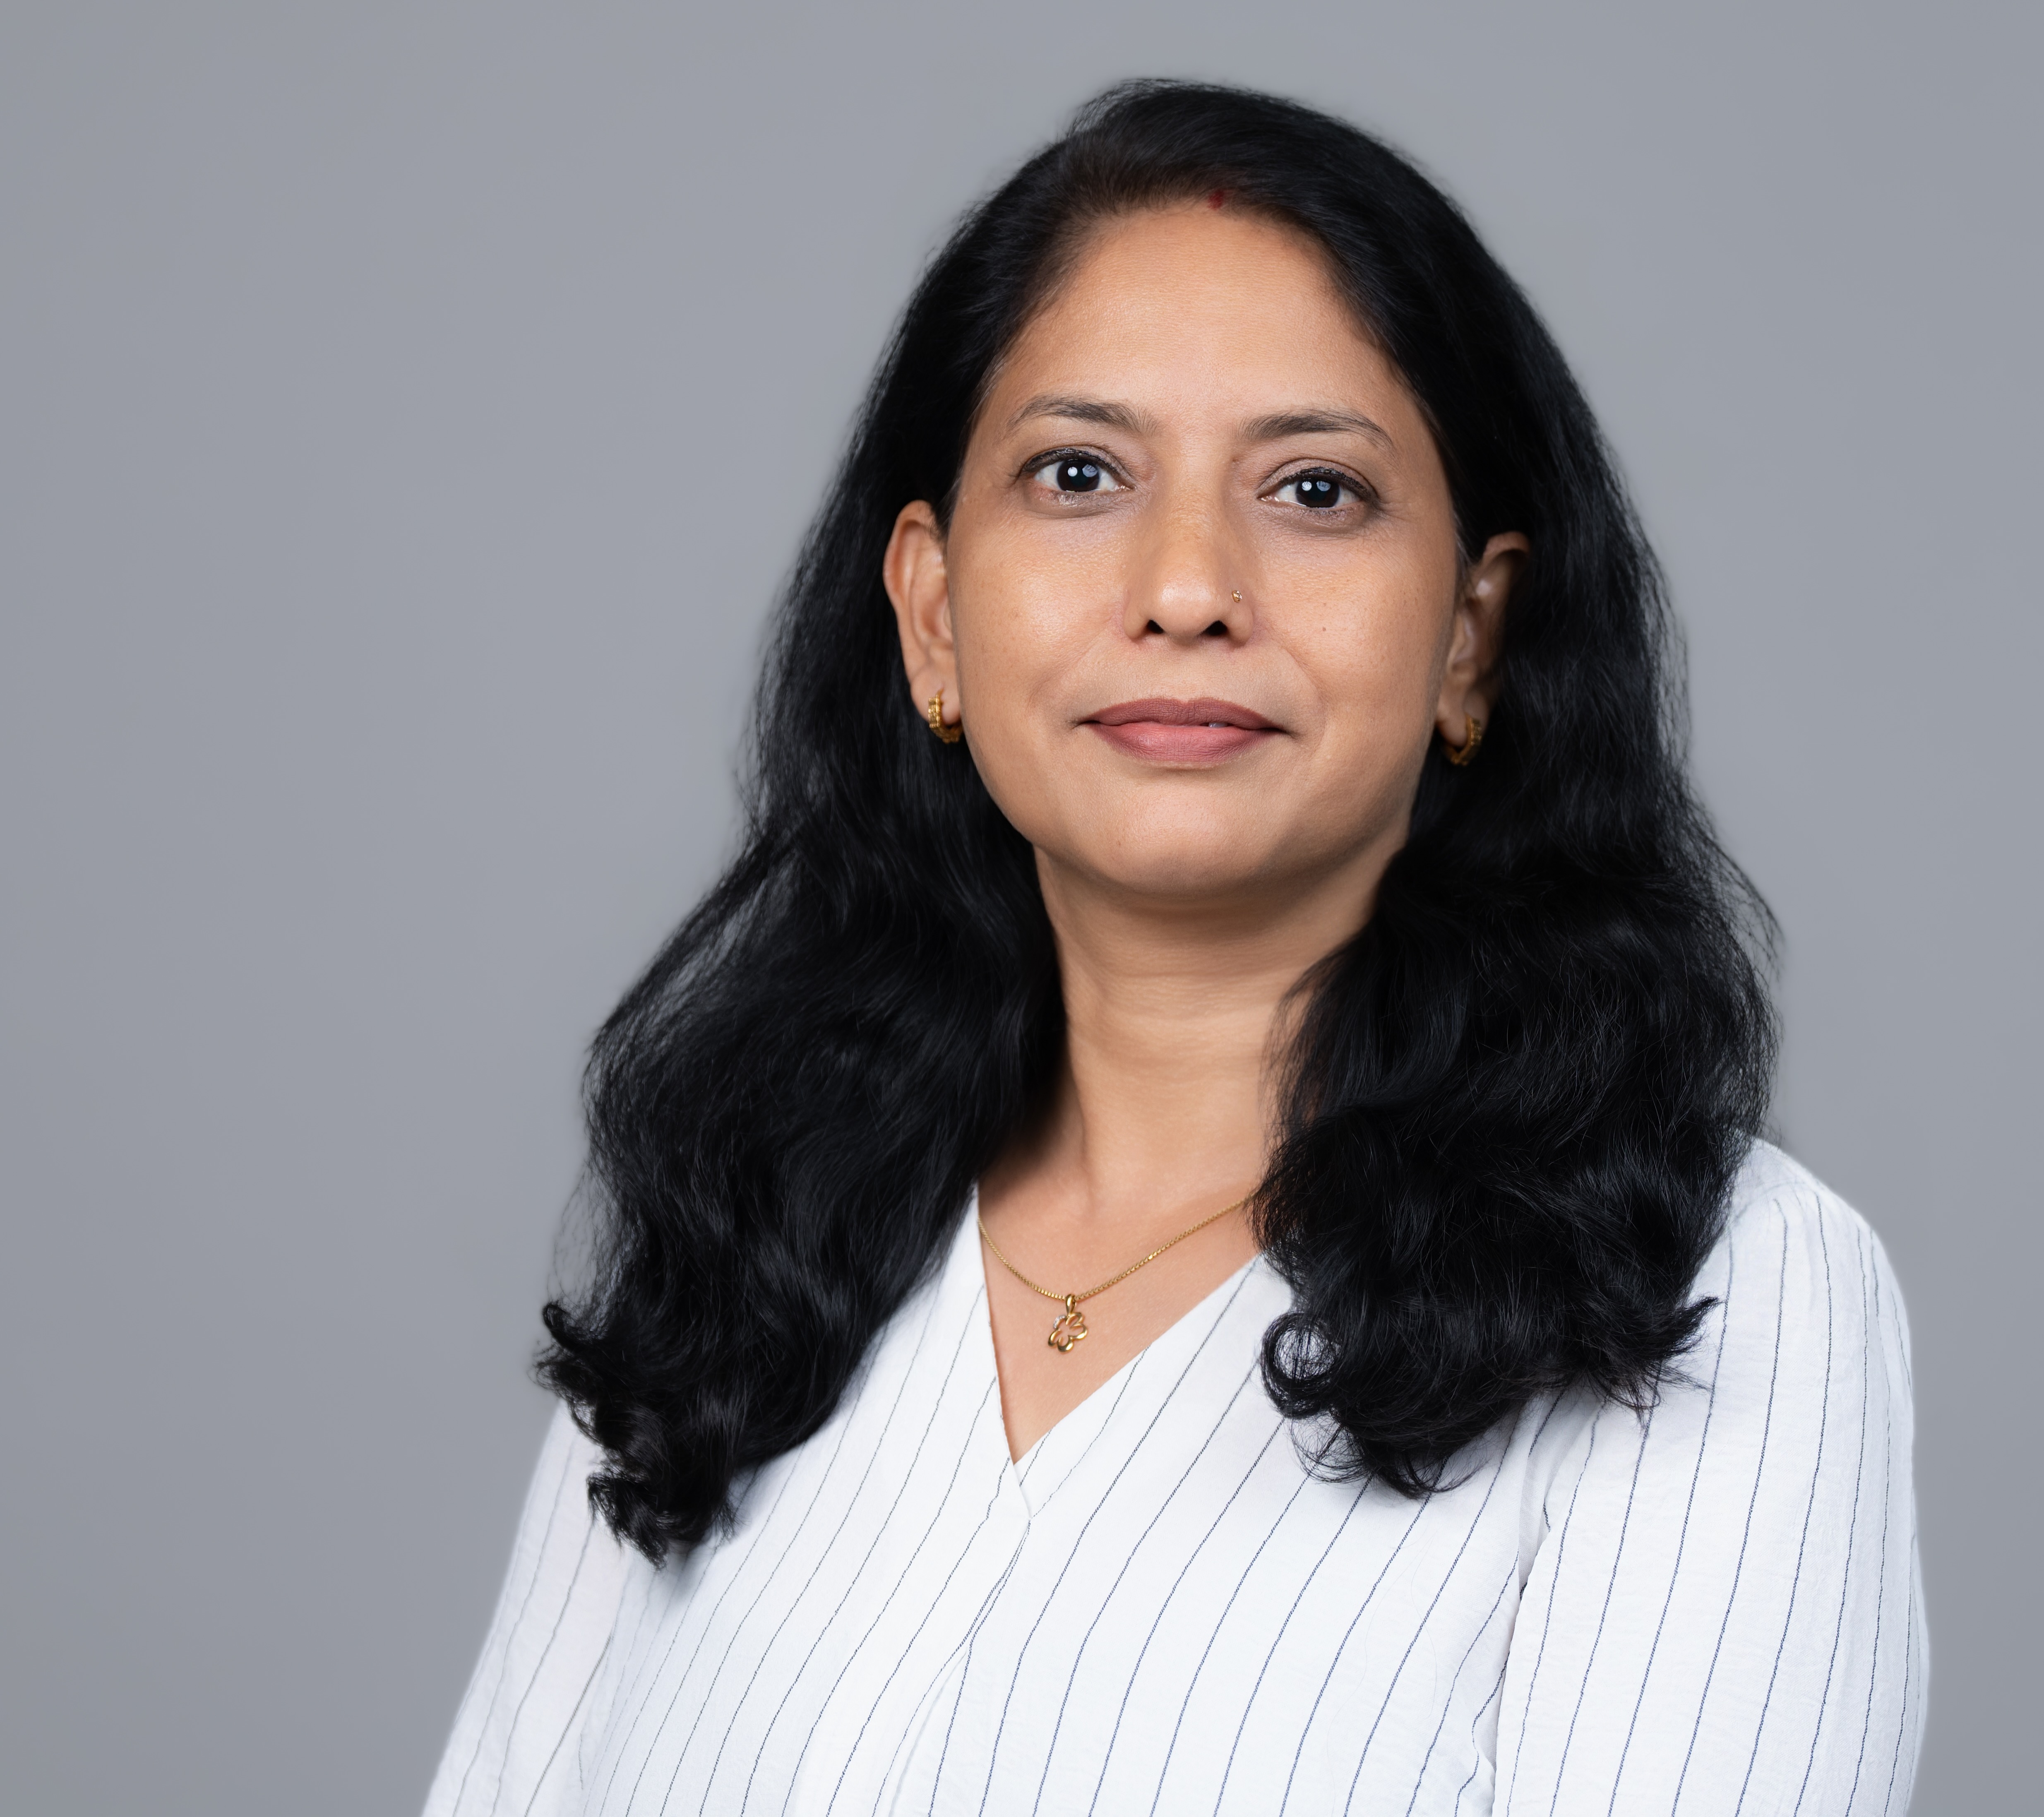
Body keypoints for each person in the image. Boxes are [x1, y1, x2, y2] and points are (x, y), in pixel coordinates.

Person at [425, 80, 1922, 1817]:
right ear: (931, 614)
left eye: (1314, 489)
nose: (1188, 586)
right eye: (1079, 475)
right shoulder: (744, 1250)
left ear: (1471, 635)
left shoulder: (1714, 1291)